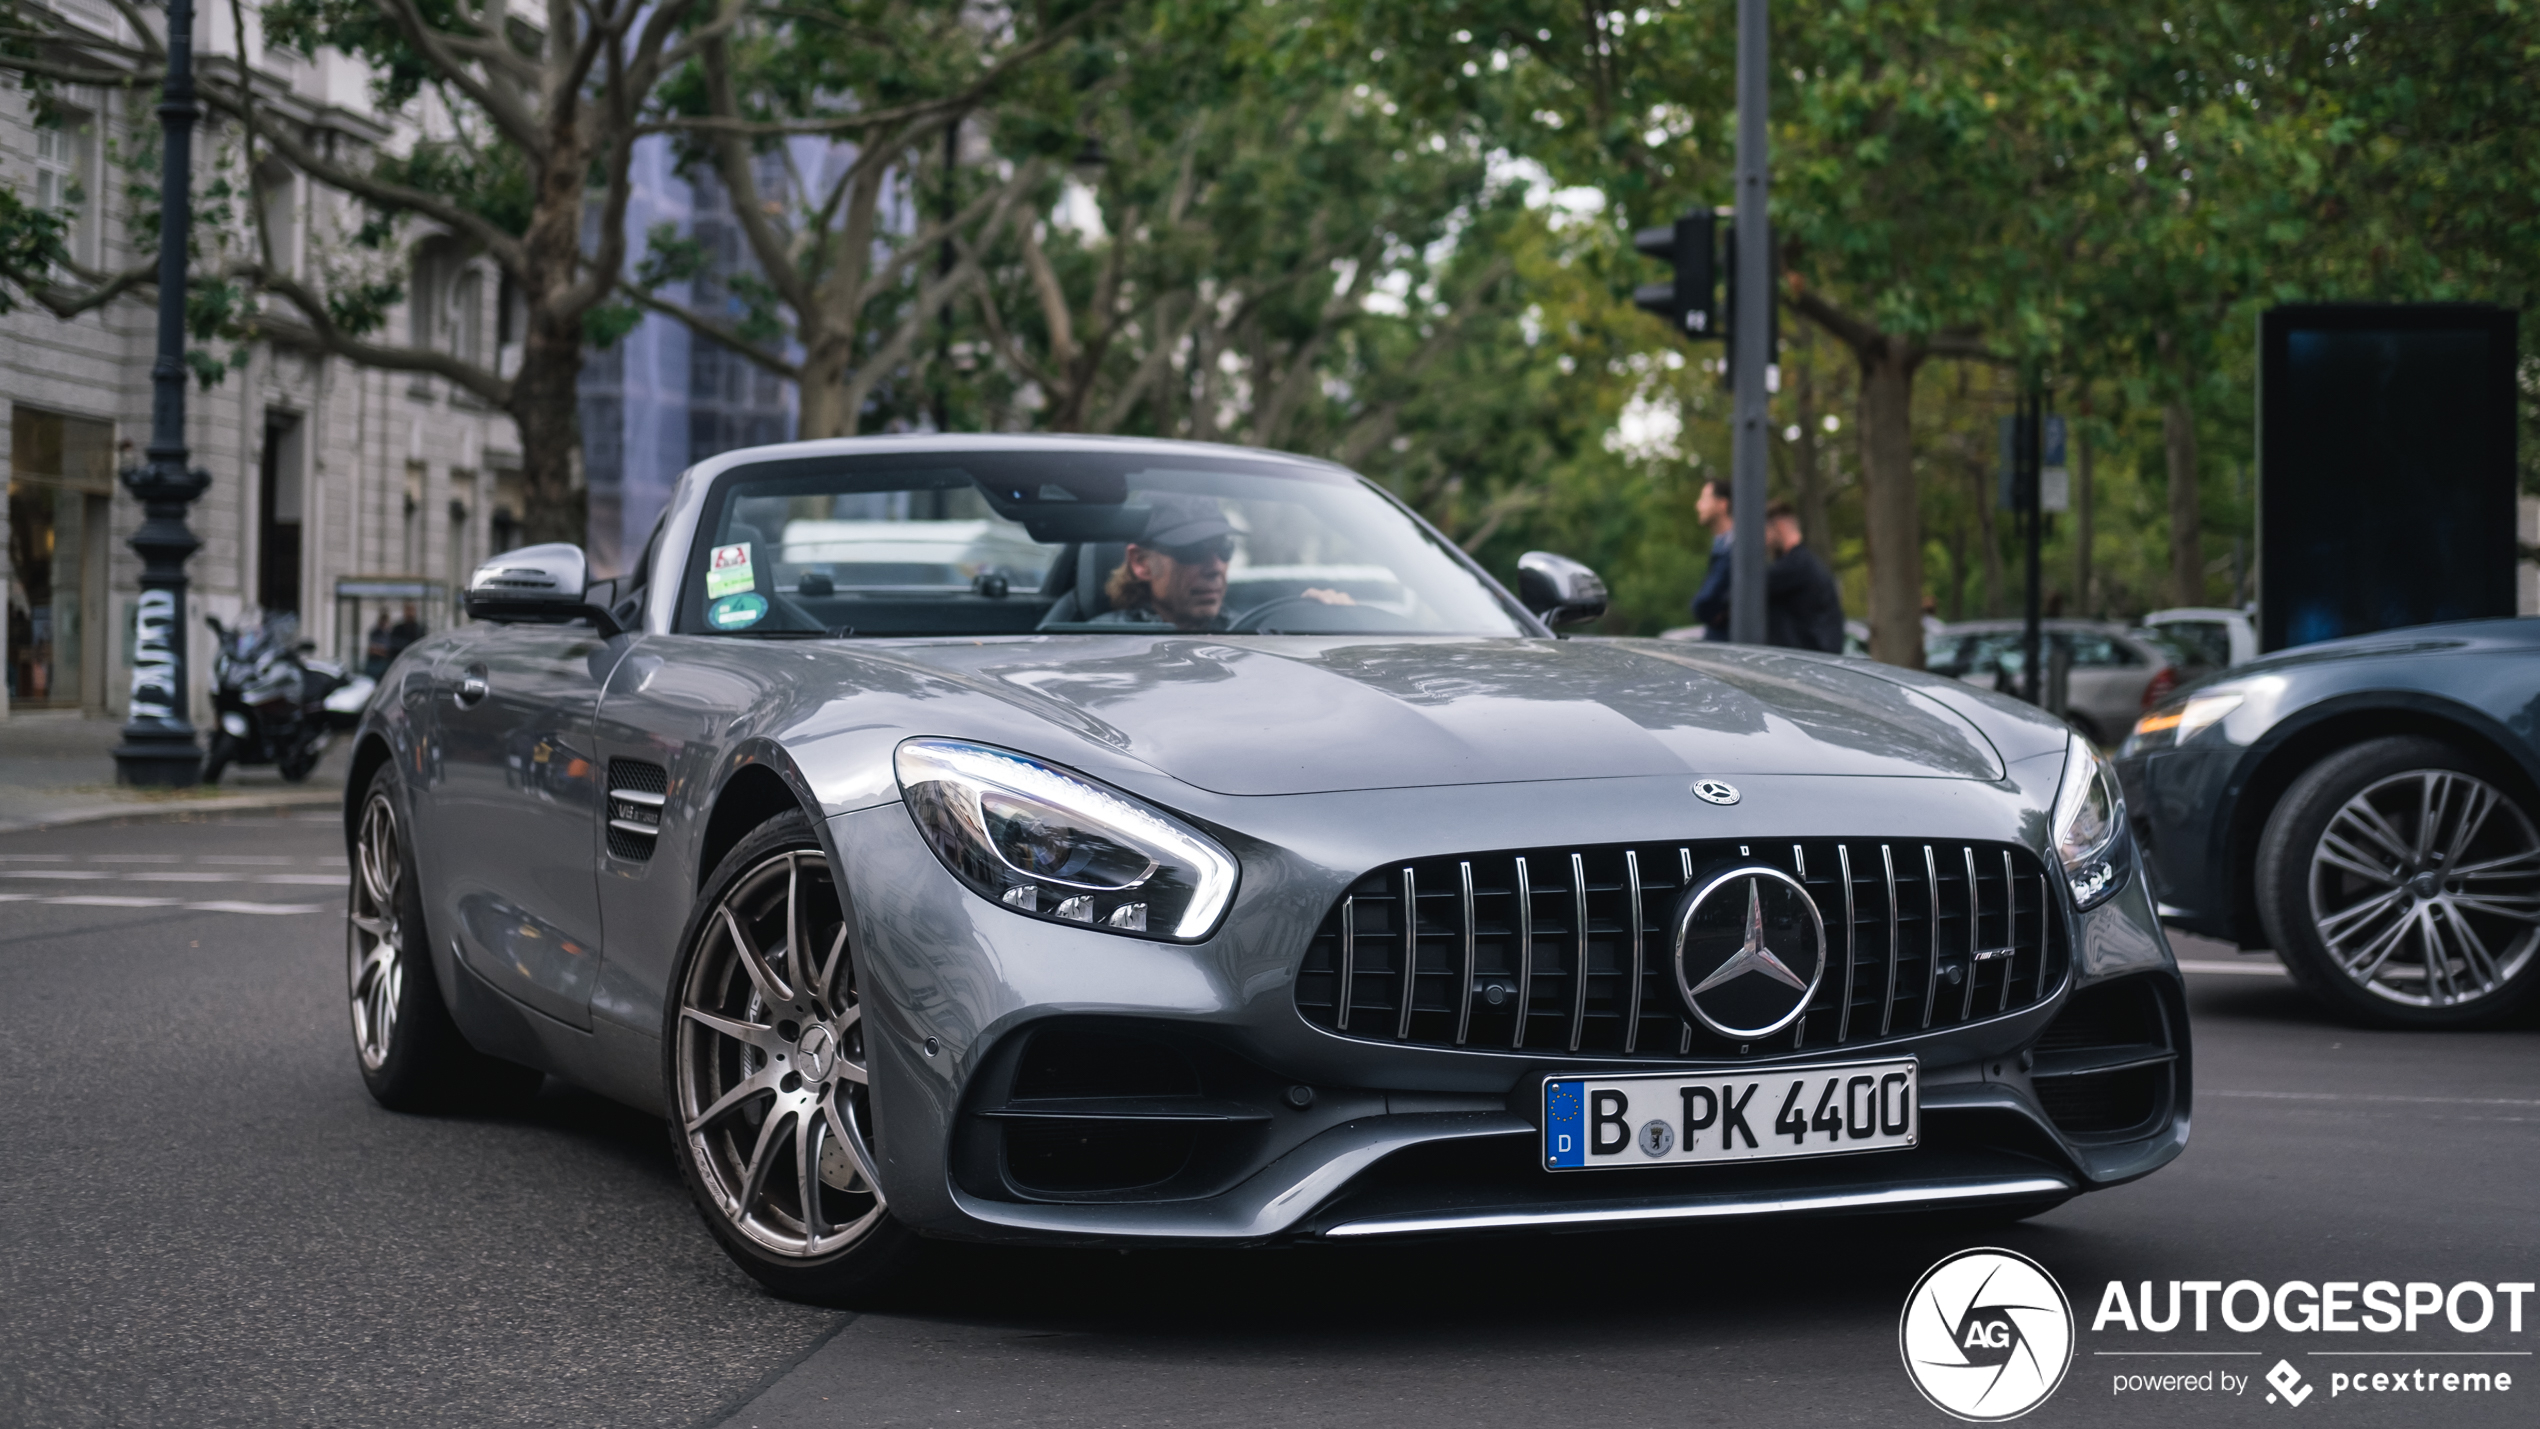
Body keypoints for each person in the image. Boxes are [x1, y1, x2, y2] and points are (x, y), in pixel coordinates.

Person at [1095, 495, 1353, 631]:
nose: (1215, 567)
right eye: (1193, 550)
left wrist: (1317, 619)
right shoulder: (1096, 644)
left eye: (1224, 549)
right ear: (1142, 563)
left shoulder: (1252, 631)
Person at [1762, 501, 1844, 653]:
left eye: (1765, 531)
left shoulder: (1792, 567)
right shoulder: (1808, 564)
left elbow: (1744, 593)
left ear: (1779, 526)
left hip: (1805, 661)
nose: (1764, 541)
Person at [1687, 477, 1734, 640]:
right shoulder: (1722, 546)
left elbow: (1705, 603)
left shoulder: (1735, 550)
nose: (1698, 505)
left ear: (1722, 504)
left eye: (1704, 499)